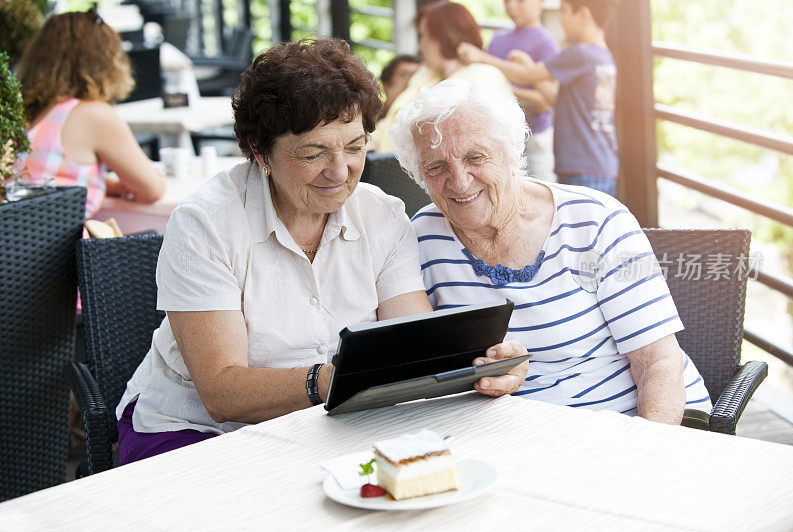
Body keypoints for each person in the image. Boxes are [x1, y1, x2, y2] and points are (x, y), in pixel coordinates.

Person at [115, 38, 527, 465]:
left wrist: (484, 364)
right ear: (260, 153)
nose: (339, 171)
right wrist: (334, 381)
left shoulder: (382, 217)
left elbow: (412, 346)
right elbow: (222, 392)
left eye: (354, 147)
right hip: (196, 430)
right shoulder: (206, 225)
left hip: (330, 427)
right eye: (313, 153)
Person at [391, 79, 712, 424]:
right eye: (436, 166)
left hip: (633, 423)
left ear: (510, 151)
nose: (459, 180)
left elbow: (658, 362)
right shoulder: (421, 237)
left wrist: (648, 449)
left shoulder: (595, 220)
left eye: (475, 157)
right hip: (516, 436)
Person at [14, 10, 165, 218]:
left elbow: (53, 179)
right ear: (103, 59)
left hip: (16, 245)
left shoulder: (30, 115)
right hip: (61, 249)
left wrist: (106, 183)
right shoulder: (93, 115)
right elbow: (152, 190)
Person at [460, 0, 619, 197]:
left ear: (584, 15)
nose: (560, 19)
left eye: (564, 12)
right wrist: (529, 67)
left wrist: (481, 58)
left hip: (581, 165)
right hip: (600, 163)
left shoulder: (580, 53)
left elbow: (525, 76)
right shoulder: (603, 56)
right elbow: (557, 100)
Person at [370, 1, 514, 153]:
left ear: (442, 37)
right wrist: (371, 141)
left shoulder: (482, 76)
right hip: (382, 159)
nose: (420, 46)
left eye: (423, 36)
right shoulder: (426, 73)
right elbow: (392, 119)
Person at [456, 0, 559, 182]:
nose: (511, 6)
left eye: (520, 1)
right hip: (498, 135)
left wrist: (505, 89)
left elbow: (544, 102)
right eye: (506, 0)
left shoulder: (547, 43)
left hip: (535, 135)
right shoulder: (498, 38)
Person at [378, 54, 422, 120]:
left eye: (416, 75)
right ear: (386, 86)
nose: (413, 80)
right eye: (405, 75)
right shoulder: (367, 120)